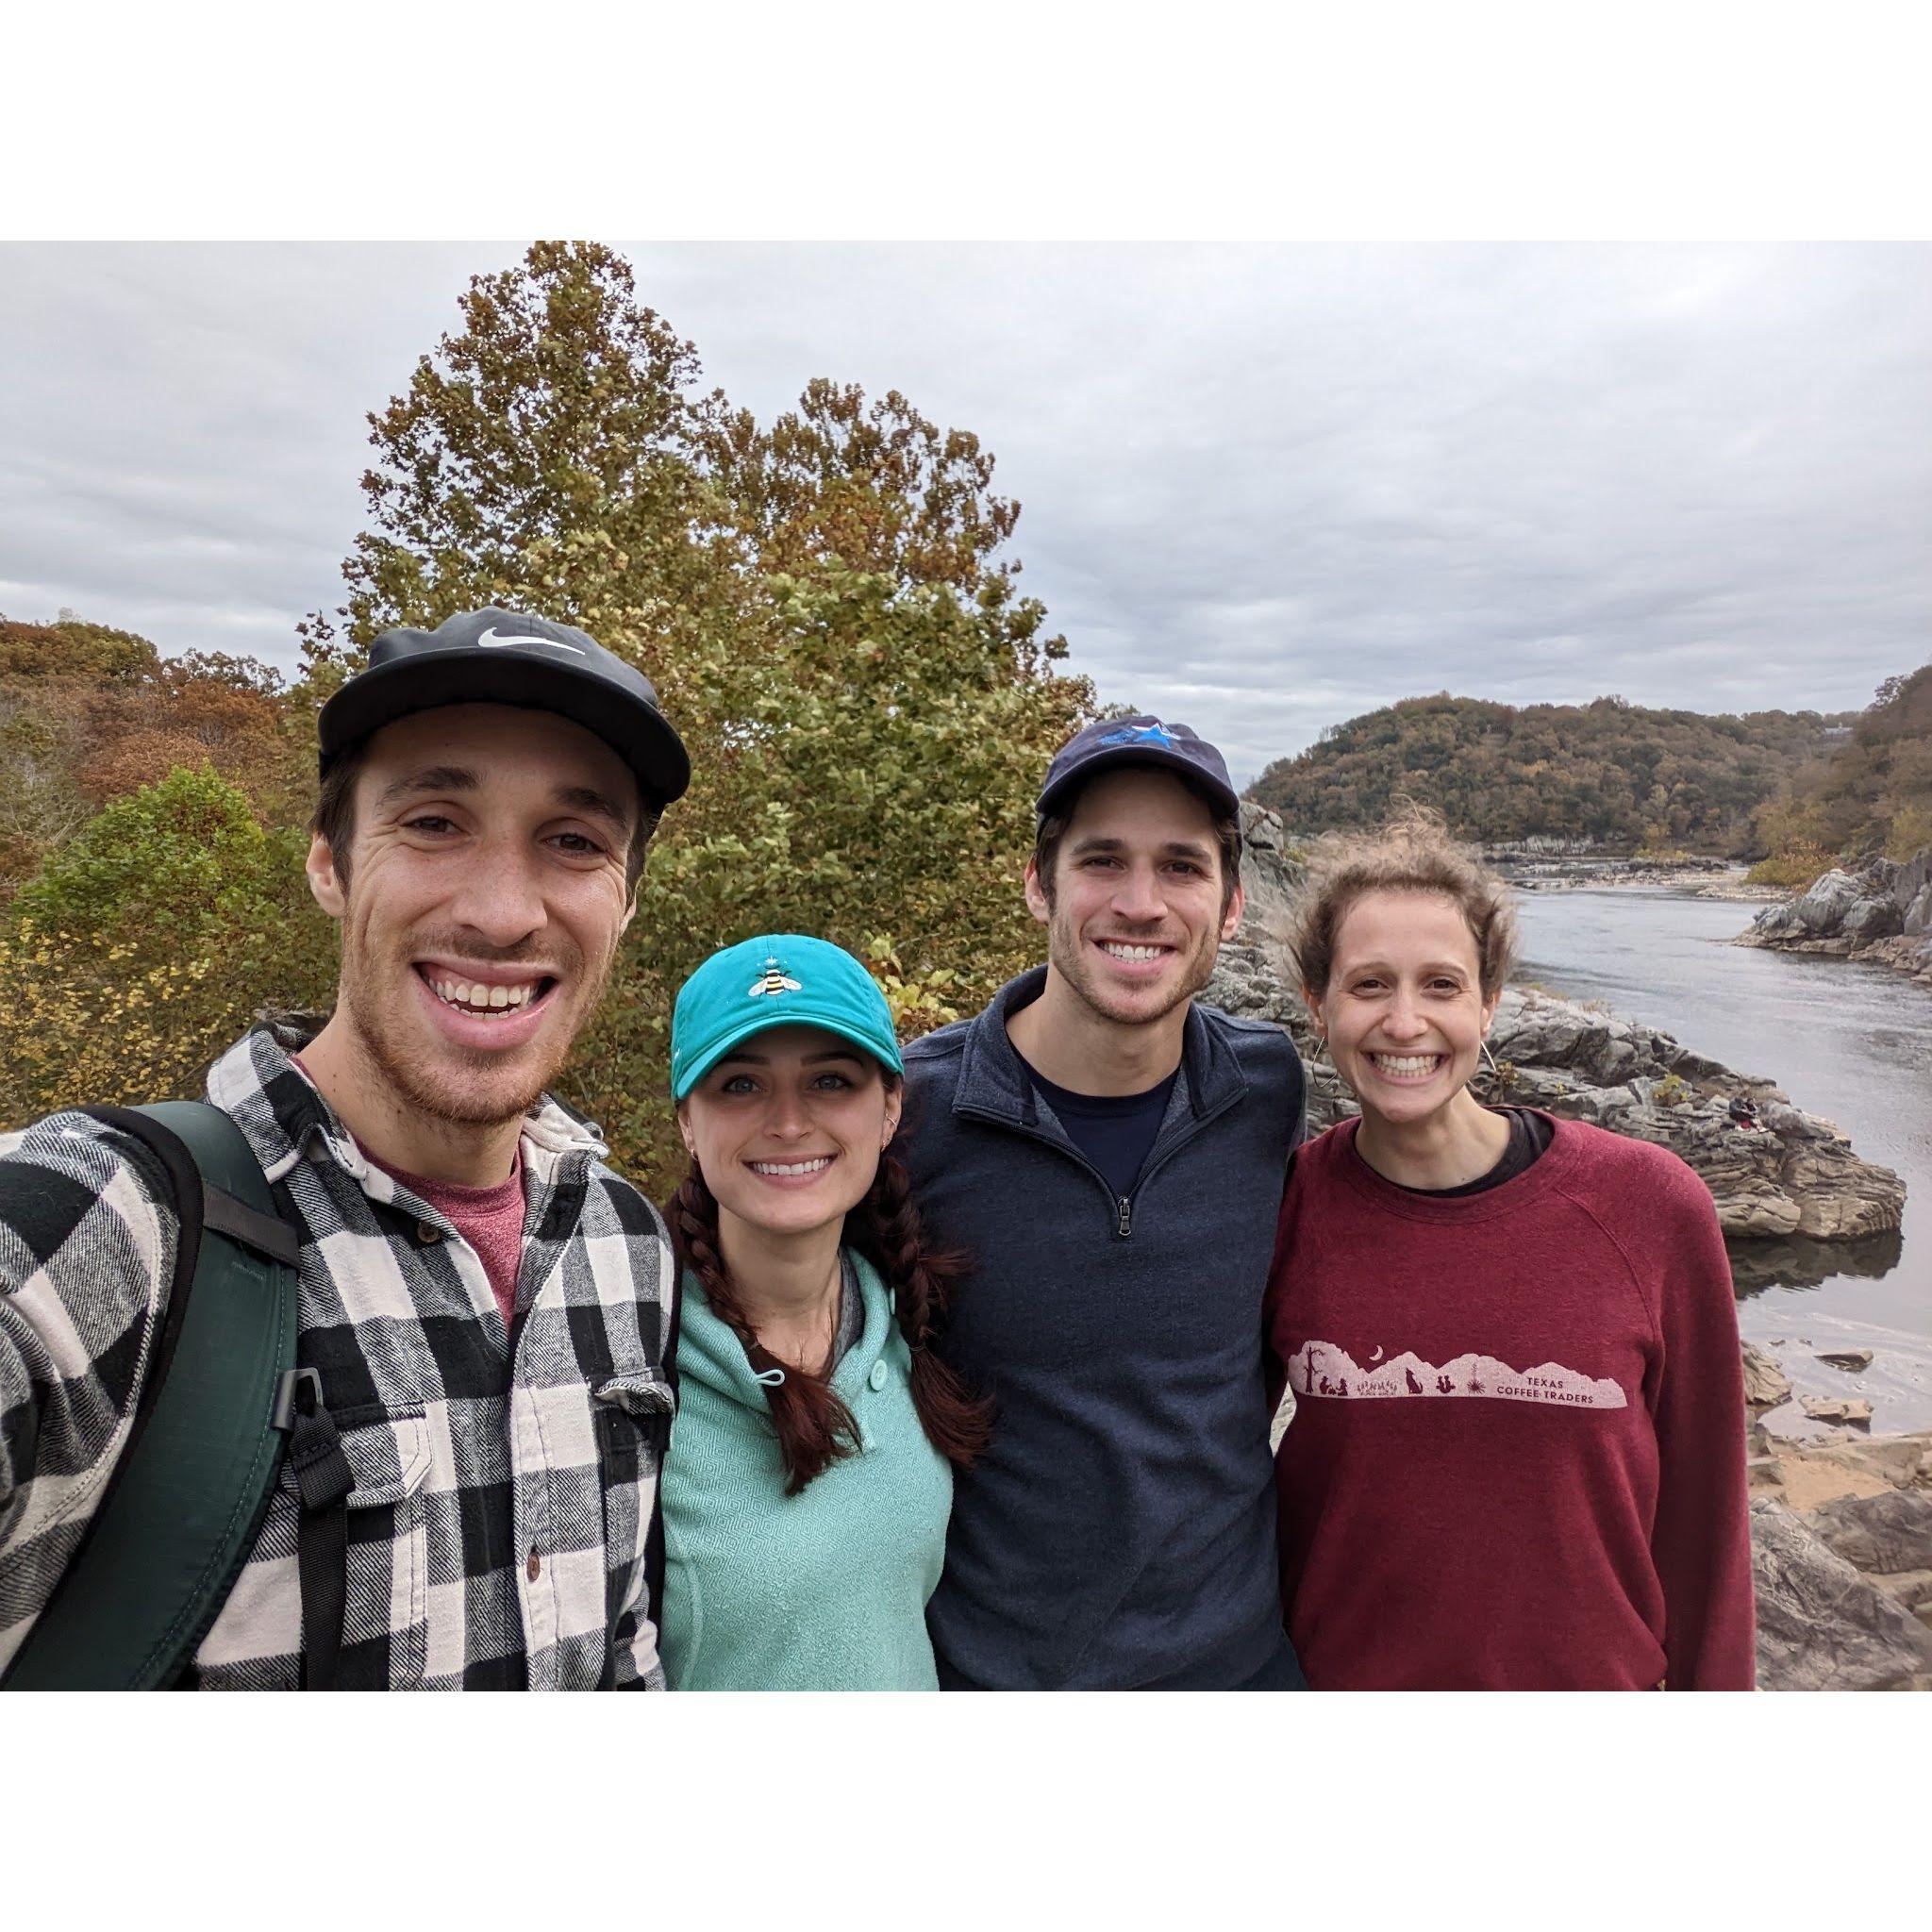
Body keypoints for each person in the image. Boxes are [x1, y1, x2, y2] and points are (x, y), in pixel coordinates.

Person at [0, 608, 691, 1690]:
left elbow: (619, 1650)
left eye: (573, 840)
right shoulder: (113, 1223)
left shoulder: (629, 1245)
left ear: (626, 897)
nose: (505, 912)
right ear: (330, 861)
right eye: (433, 821)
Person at [1267, 809, 1755, 1689]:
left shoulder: (1648, 1205)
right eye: (1370, 984)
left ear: (1489, 1002)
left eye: (1442, 985)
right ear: (1319, 1004)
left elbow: (1707, 1522)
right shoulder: (1287, 1207)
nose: (1405, 1021)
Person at [900, 717, 1307, 1690]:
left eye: (1180, 866)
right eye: (1101, 861)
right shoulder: (912, 1114)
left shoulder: (1266, 1089)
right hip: (992, 1680)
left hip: (1239, 1674)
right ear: (1039, 883)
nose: (1139, 903)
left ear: (1232, 901)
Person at [658, 934, 991, 1690]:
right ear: (687, 1119)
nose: (787, 1123)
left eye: (831, 1082)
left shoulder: (910, 1332)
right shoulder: (629, 1377)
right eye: (740, 1085)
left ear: (889, 1109)